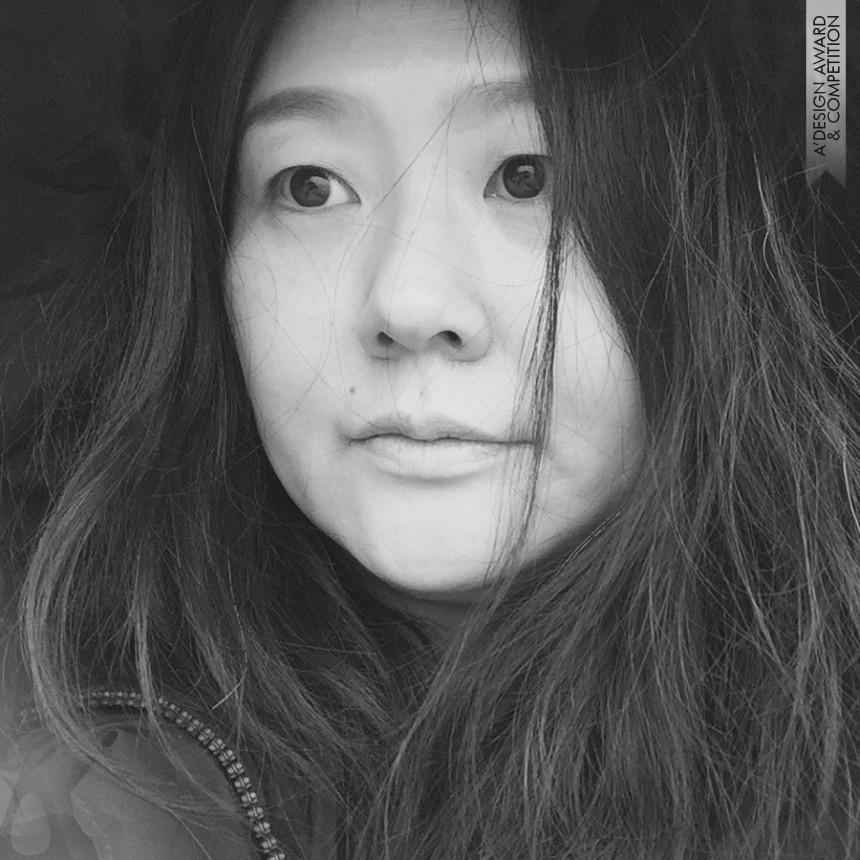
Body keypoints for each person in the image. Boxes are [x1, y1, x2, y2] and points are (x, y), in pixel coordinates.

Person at [0, 0, 858, 857]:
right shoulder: (67, 802)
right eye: (310, 186)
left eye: (528, 176)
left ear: (727, 240)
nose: (407, 304)